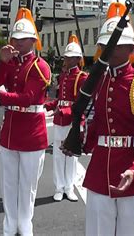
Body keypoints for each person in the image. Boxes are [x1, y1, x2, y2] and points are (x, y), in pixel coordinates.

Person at [65, 2, 134, 236]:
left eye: (115, 45)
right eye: (104, 45)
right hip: (100, 170)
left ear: (131, 48)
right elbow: (98, 123)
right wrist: (79, 144)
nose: (107, 50)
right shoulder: (98, 80)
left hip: (132, 172)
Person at [0, 7, 51, 236]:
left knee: (27, 186)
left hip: (31, 130)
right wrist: (2, 62)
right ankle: (9, 225)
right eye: (16, 38)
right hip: (11, 129)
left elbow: (29, 98)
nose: (19, 42)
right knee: (9, 184)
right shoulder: (12, 63)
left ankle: (25, 225)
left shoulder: (40, 66)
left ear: (34, 41)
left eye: (24, 39)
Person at [44, 35, 87, 202]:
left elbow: (81, 102)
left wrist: (65, 111)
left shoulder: (81, 77)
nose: (66, 60)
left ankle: (69, 187)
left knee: (71, 155)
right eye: (66, 57)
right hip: (59, 120)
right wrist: (48, 105)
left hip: (72, 120)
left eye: (70, 58)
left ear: (77, 59)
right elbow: (60, 99)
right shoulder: (63, 75)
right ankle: (59, 186)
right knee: (58, 155)